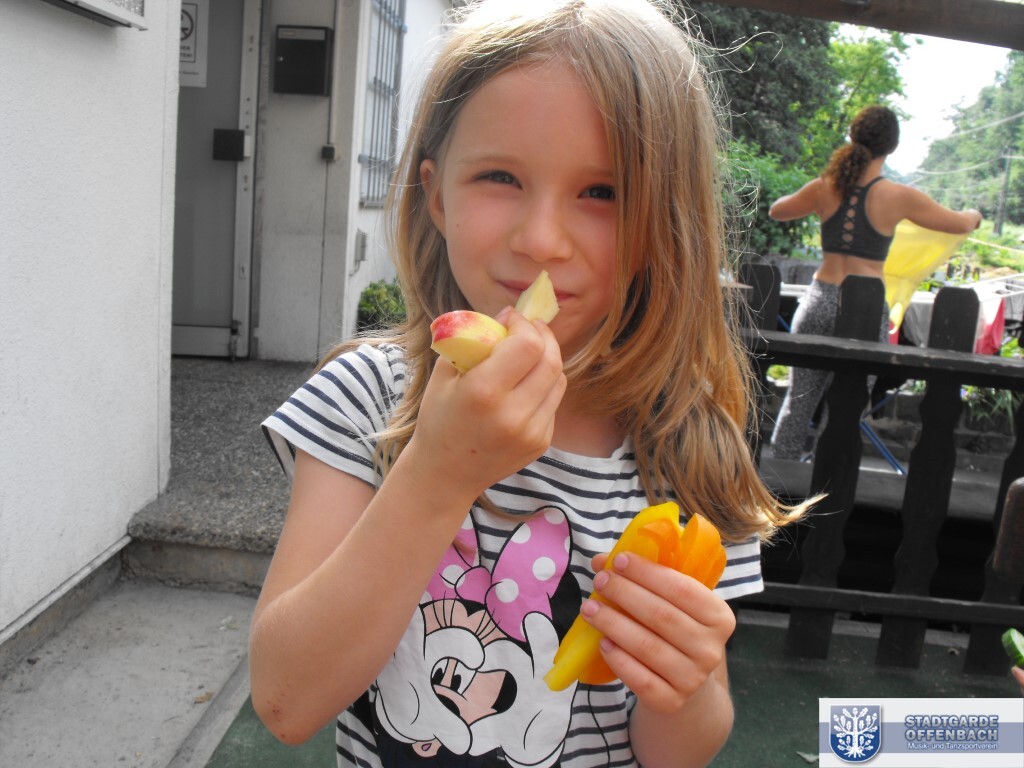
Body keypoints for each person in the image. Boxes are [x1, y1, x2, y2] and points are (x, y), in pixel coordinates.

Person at [249, 2, 807, 766]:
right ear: (436, 194)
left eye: (603, 192)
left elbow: (680, 752)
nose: (542, 240)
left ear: (665, 225)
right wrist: (439, 472)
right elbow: (286, 701)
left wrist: (684, 682)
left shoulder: (690, 451)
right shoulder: (366, 400)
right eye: (501, 177)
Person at [768, 105, 983, 461]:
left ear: (853, 136)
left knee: (798, 400)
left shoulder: (824, 187)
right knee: (847, 405)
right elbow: (960, 223)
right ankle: (829, 479)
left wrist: (818, 190)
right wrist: (975, 215)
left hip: (819, 300)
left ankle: (779, 476)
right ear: (892, 147)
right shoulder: (899, 196)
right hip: (864, 310)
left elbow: (778, 209)